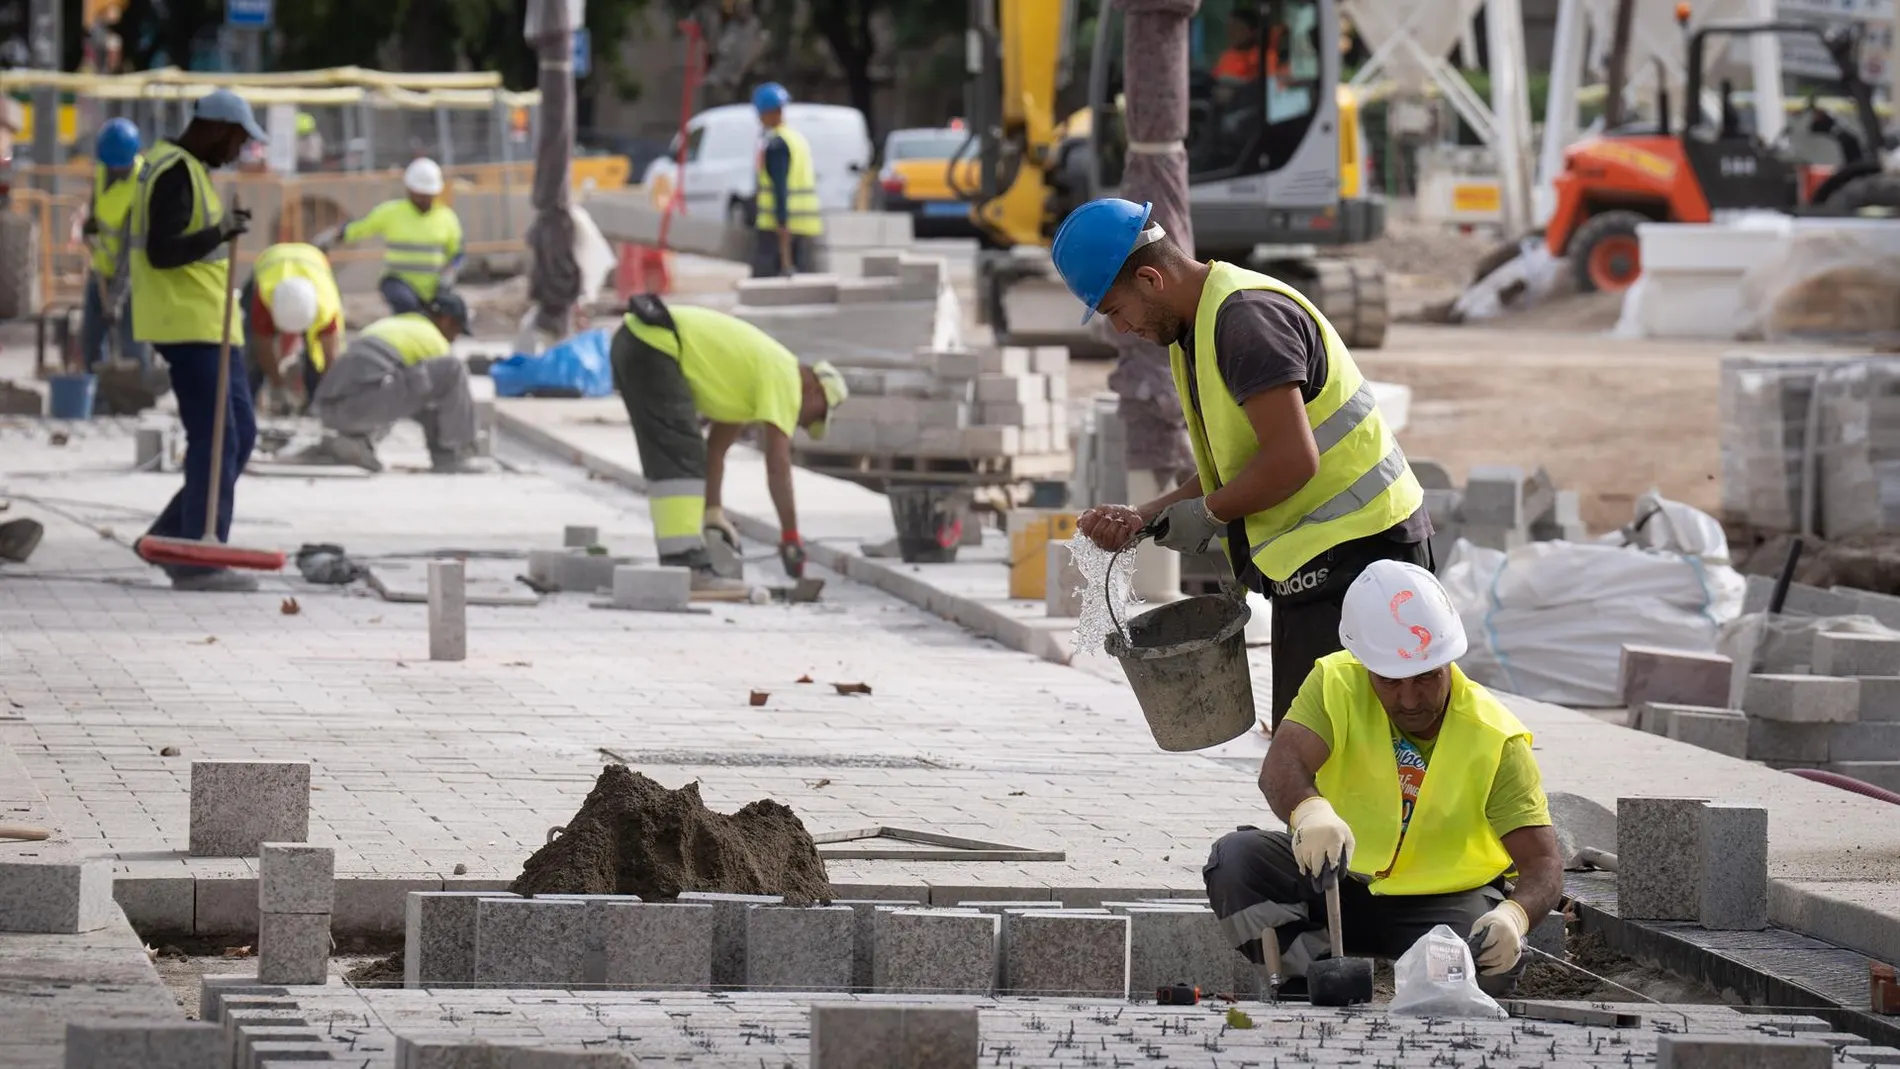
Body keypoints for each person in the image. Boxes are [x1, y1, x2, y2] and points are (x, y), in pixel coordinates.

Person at [1058, 198, 1431, 730]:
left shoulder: (1245, 322)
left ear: (1149, 279)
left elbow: (1291, 461)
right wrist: (1148, 514)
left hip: (1365, 552)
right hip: (1324, 558)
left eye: (1116, 311)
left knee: (1333, 750)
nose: (1120, 328)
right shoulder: (1196, 327)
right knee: (1315, 744)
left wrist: (1209, 514)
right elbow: (1239, 467)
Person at [1203, 559, 1562, 999]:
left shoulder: (1495, 736)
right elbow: (1282, 765)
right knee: (1237, 860)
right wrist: (1309, 812)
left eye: (1426, 678)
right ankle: (1307, 980)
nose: (1409, 699)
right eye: (1390, 682)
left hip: (1442, 906)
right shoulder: (1336, 682)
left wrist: (1514, 918)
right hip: (1338, 885)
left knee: (1481, 960)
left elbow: (1543, 864)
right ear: (1364, 662)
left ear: (1447, 661)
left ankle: (1447, 983)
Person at [127, 88, 265, 593]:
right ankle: (200, 557)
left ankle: (167, 538)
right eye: (235, 140)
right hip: (187, 326)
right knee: (217, 439)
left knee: (239, 433)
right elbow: (163, 252)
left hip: (209, 326)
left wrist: (220, 232)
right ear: (213, 127)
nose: (236, 152)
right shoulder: (176, 171)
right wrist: (220, 232)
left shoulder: (180, 168)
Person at [612, 296, 847, 592]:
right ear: (814, 389)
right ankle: (686, 563)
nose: (805, 424)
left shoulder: (753, 384)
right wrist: (790, 536)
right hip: (655, 345)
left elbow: (716, 451)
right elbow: (778, 466)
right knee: (680, 453)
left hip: (634, 340)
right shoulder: (786, 378)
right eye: (816, 415)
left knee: (675, 451)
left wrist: (713, 513)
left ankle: (683, 557)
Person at [301, 293, 485, 474]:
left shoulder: (397, 325)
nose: (455, 338)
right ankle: (458, 452)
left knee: (414, 384)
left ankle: (350, 442)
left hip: (333, 409)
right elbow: (448, 393)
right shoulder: (434, 339)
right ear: (446, 320)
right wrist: (467, 436)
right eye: (457, 330)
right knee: (451, 371)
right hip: (359, 406)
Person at [318, 157, 464, 315]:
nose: (424, 198)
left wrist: (449, 274)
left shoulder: (446, 218)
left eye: (428, 194)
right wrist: (333, 237)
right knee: (407, 306)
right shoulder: (391, 212)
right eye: (420, 194)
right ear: (409, 190)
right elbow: (361, 228)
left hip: (434, 287)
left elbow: (457, 253)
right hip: (399, 283)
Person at [80, 117, 149, 375]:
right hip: (101, 267)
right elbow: (97, 203)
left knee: (131, 340)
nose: (113, 171)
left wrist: (115, 301)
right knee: (91, 337)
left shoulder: (141, 188)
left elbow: (130, 252)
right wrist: (91, 223)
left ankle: (136, 390)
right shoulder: (104, 167)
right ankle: (95, 392)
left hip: (133, 275)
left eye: (119, 167)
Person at [242, 242, 344, 412]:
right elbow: (263, 347)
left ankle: (314, 401)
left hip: (314, 262)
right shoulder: (264, 298)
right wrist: (279, 386)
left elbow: (329, 357)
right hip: (270, 261)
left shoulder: (326, 307)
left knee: (315, 355)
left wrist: (327, 393)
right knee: (250, 351)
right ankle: (246, 403)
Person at [750, 82, 822, 278]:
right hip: (803, 228)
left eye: (760, 113)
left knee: (763, 286)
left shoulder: (776, 144)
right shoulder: (796, 139)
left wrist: (782, 223)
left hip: (778, 230)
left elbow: (780, 187)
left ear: (769, 112)